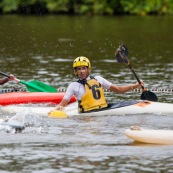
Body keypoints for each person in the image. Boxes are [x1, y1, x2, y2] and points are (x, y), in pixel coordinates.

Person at [52, 56, 144, 113]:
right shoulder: (73, 86)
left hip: (102, 109)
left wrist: (135, 86)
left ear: (89, 69)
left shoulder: (99, 79)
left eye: (84, 68)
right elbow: (62, 104)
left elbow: (119, 90)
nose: (81, 71)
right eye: (78, 69)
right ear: (75, 71)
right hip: (86, 115)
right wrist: (52, 112)